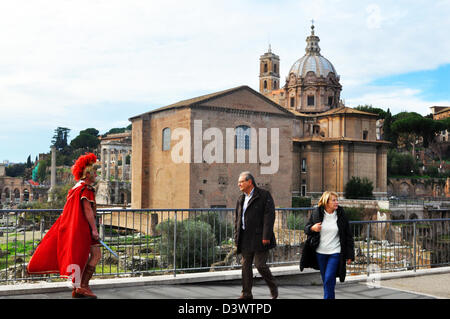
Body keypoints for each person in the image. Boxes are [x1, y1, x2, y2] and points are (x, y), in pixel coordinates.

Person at [27, 153, 102, 299]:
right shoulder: (85, 189)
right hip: (83, 229)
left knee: (84, 256)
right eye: (94, 171)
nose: (96, 174)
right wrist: (94, 229)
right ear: (87, 173)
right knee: (93, 255)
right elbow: (87, 210)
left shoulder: (76, 188)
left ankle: (80, 287)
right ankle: (82, 286)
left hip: (76, 228)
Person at [300, 191, 354, 299]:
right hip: (320, 253)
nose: (336, 202)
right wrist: (312, 228)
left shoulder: (341, 214)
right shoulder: (317, 213)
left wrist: (350, 255)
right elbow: (306, 228)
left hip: (335, 252)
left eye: (337, 200)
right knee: (327, 280)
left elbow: (348, 235)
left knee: (329, 278)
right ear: (326, 202)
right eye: (333, 200)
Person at [234, 171, 278, 299]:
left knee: (260, 265)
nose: (239, 184)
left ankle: (273, 286)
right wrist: (237, 237)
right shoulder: (240, 198)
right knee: (245, 265)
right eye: (238, 182)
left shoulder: (264, 195)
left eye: (241, 182)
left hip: (260, 237)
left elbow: (269, 217)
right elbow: (237, 220)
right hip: (245, 237)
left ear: (249, 182)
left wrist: (266, 236)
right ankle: (246, 294)